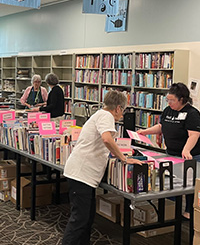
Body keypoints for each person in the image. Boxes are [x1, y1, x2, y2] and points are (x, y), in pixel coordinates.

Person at [62, 91, 143, 245]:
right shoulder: (106, 116)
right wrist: (123, 158)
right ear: (118, 108)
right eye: (123, 110)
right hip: (81, 174)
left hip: (83, 174)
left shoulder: (100, 114)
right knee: (79, 221)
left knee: (86, 219)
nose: (122, 114)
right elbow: (106, 139)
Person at [137, 82, 200, 219]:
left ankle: (189, 212)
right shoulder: (168, 110)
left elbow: (194, 134)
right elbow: (161, 126)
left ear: (181, 99)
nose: (169, 102)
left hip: (189, 156)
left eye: (172, 100)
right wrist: (145, 132)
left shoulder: (192, 113)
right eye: (168, 100)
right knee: (170, 183)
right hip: (171, 153)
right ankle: (171, 212)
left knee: (189, 185)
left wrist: (187, 150)